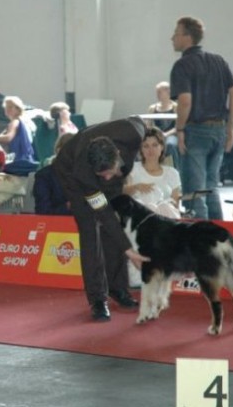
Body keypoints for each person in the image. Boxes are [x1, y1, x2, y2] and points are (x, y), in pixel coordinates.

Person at [53, 116, 150, 321]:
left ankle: (118, 289)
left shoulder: (134, 131)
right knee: (90, 229)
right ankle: (97, 299)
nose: (105, 178)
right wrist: (130, 252)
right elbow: (104, 213)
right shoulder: (84, 175)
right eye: (102, 174)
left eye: (108, 173)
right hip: (70, 173)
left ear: (117, 154)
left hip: (109, 165)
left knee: (114, 225)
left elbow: (142, 122)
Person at [169, 16, 233, 219]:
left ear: (187, 37)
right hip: (219, 130)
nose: (172, 38)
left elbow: (185, 101)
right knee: (211, 187)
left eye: (176, 33)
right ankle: (218, 236)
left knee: (195, 192)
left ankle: (199, 243)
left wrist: (180, 129)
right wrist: (231, 129)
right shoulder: (218, 60)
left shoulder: (182, 66)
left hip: (196, 131)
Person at [123, 127, 181, 219]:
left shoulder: (172, 173)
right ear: (141, 149)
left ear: (161, 147)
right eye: (146, 146)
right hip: (140, 217)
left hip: (166, 218)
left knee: (165, 207)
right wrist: (136, 187)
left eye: (155, 145)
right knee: (149, 207)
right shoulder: (133, 169)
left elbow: (176, 203)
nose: (151, 150)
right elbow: (122, 193)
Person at [33, 133, 74, 215]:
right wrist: (68, 206)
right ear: (58, 150)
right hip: (54, 224)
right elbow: (43, 211)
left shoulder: (84, 176)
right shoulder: (44, 176)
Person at [0, 96, 36, 163]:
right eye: (6, 107)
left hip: (18, 159)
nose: (7, 109)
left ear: (18, 109)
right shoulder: (22, 121)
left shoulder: (15, 122)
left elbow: (8, 138)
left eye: (10, 107)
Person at [146, 81, 179, 168]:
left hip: (172, 135)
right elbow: (148, 125)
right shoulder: (153, 108)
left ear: (168, 92)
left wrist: (166, 134)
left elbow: (178, 126)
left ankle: (175, 170)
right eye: (157, 92)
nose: (157, 94)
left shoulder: (176, 107)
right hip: (157, 135)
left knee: (170, 144)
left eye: (160, 92)